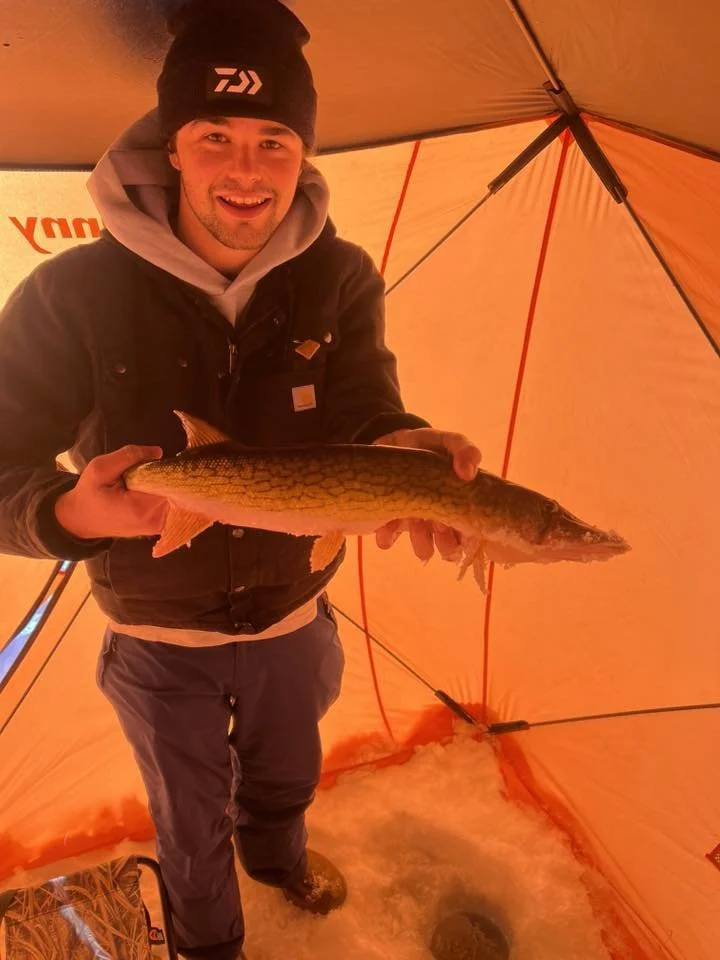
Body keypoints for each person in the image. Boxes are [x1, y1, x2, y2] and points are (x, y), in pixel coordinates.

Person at [0, 1, 481, 957]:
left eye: (274, 140)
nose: (246, 170)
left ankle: (280, 854)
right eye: (214, 136)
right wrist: (64, 510)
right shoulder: (69, 295)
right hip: (154, 633)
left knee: (286, 770)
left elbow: (363, 406)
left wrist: (403, 441)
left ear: (303, 154)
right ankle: (206, 944)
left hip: (295, 615)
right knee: (188, 821)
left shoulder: (338, 276)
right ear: (171, 147)